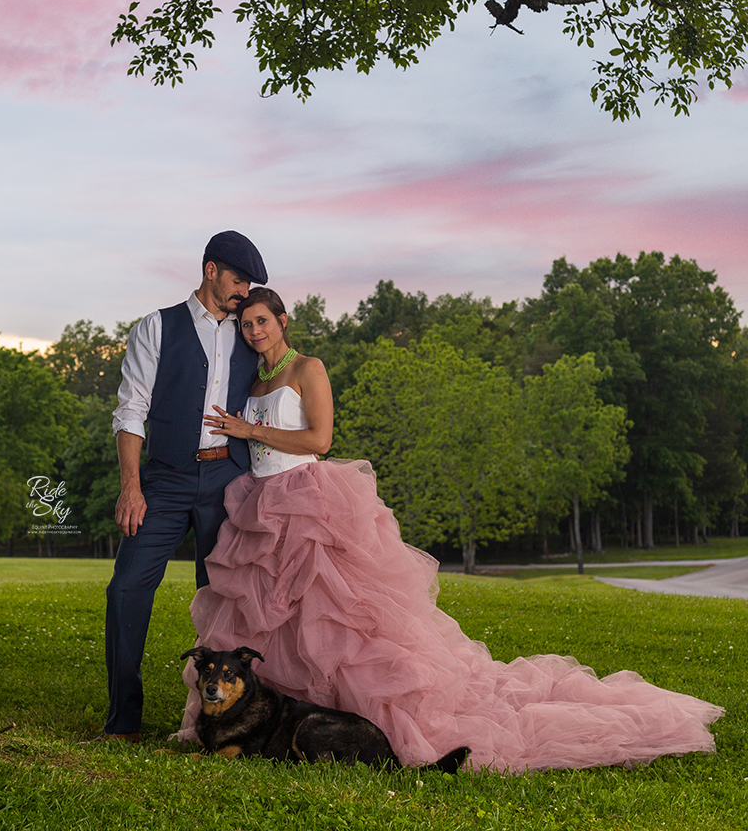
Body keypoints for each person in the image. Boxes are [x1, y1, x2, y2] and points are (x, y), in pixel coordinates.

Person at [175, 288, 723, 771]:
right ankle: (264, 722)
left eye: (262, 321)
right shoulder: (256, 375)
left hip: (306, 500)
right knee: (275, 617)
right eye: (245, 324)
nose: (253, 330)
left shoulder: (306, 368)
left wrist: (249, 426)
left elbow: (321, 441)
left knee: (335, 618)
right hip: (261, 506)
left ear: (283, 320)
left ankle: (362, 719)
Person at [100, 231, 268, 741]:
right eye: (239, 280)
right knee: (126, 589)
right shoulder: (157, 327)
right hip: (164, 479)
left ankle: (221, 721)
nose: (245, 292)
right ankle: (124, 718)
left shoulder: (249, 332)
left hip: (229, 479)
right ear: (211, 270)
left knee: (221, 596)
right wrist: (132, 486)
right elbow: (131, 410)